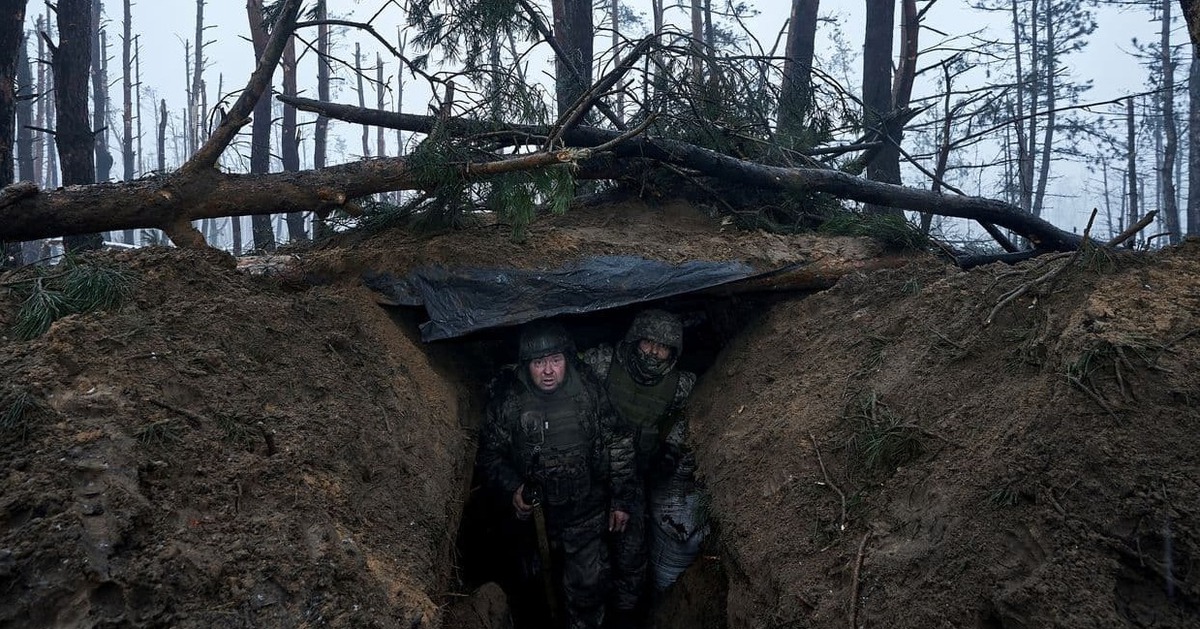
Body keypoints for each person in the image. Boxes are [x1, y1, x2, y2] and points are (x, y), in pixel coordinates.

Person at [479, 320, 637, 629]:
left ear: (567, 359)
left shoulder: (588, 392)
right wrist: (514, 488)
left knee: (588, 590)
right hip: (534, 522)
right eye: (539, 362)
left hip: (586, 515)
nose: (548, 370)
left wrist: (620, 498)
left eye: (555, 360)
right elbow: (488, 455)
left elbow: (618, 441)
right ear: (527, 366)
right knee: (530, 589)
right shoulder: (509, 402)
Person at [579, 309, 705, 628]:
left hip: (634, 483)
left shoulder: (681, 385)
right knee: (581, 560)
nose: (653, 352)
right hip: (588, 479)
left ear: (673, 352)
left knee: (632, 563)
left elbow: (693, 415)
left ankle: (625, 619)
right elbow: (565, 381)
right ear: (635, 340)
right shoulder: (603, 362)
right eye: (648, 343)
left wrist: (671, 448)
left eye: (662, 347)